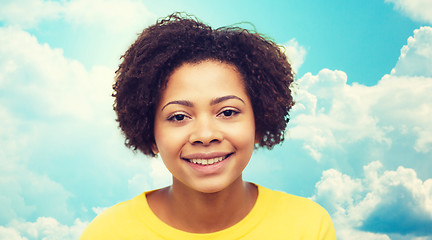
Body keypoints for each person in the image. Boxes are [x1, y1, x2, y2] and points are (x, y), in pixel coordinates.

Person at [80, 12, 336, 239]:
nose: (205, 135)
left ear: (260, 123)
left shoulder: (308, 227)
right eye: (179, 117)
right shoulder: (108, 233)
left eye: (227, 112)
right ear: (149, 133)